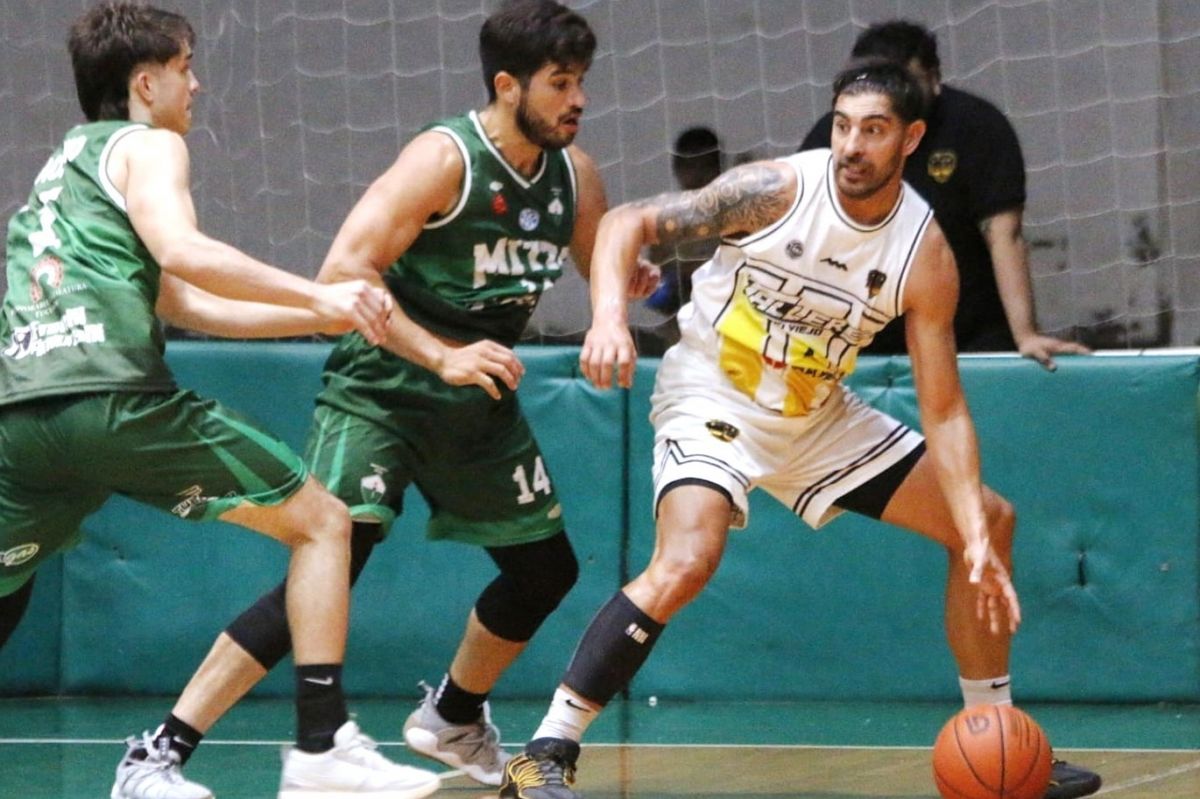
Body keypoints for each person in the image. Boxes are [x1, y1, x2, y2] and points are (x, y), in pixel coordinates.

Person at [498, 60, 1101, 799]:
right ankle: (545, 751)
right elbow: (627, 222)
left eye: (873, 130)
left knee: (990, 520)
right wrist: (607, 320)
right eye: (843, 125)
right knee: (687, 560)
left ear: (910, 138)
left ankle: (998, 739)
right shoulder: (777, 190)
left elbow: (943, 408)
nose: (852, 145)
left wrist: (972, 533)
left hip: (816, 415)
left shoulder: (925, 254)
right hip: (713, 392)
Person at [108, 1, 654, 797]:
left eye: (581, 82)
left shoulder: (575, 174)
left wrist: (625, 293)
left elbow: (601, 253)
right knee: (328, 564)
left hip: (476, 397)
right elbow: (343, 271)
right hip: (384, 387)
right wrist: (439, 353)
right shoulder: (442, 160)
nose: (579, 99)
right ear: (508, 86)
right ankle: (161, 748)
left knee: (545, 570)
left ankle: (453, 715)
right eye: (560, 83)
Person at [0, 3, 440, 799]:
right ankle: (321, 746)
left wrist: (318, 315)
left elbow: (183, 302)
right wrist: (318, 291)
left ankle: (152, 771)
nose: (196, 85)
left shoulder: (64, 168)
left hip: (21, 416)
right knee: (324, 520)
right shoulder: (150, 145)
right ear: (146, 83)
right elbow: (186, 252)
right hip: (113, 403)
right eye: (185, 67)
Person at [800, 20, 1090, 371]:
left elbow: (1005, 235)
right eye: (881, 83)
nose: (893, 95)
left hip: (969, 339)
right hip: (867, 343)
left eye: (904, 83)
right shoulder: (833, 136)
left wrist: (1025, 334)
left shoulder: (979, 128)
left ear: (934, 79)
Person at [644, 125, 724, 320]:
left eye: (706, 165)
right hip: (681, 318)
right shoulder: (665, 219)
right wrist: (680, 278)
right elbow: (655, 292)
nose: (698, 174)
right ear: (677, 168)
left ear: (718, 166)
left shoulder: (735, 213)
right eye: (690, 166)